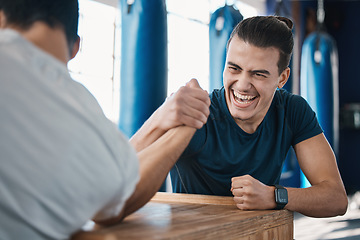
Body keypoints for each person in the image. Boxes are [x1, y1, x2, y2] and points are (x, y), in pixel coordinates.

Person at [0, 0, 211, 239]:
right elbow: (115, 202)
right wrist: (189, 124)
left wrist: (159, 118)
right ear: (75, 47)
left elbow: (116, 172)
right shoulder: (74, 102)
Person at [133, 16, 348, 218]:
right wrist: (160, 116)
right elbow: (115, 174)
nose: (243, 85)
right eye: (234, 69)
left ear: (282, 78)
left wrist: (273, 195)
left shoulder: (292, 110)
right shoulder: (200, 114)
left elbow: (336, 198)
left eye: (258, 74)